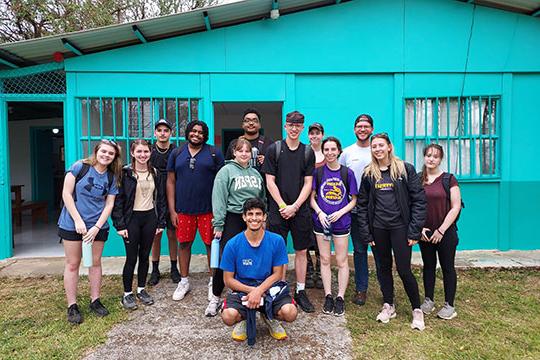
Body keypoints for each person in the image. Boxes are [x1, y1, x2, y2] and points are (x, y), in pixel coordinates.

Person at [357, 132, 427, 330]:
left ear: (389, 147)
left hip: (400, 229)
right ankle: (389, 305)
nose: (377, 149)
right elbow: (362, 205)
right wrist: (367, 233)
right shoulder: (369, 173)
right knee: (383, 268)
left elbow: (419, 201)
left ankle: (417, 309)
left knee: (404, 270)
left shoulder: (404, 169)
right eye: (374, 146)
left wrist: (414, 231)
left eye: (381, 145)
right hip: (379, 229)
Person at [58, 139, 122, 324]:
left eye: (111, 153)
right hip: (72, 223)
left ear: (114, 157)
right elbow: (66, 194)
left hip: (97, 225)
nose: (106, 155)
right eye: (103, 151)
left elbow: (109, 203)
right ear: (96, 151)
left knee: (95, 262)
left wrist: (96, 227)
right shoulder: (80, 167)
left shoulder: (112, 177)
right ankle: (72, 305)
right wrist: (78, 221)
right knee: (73, 263)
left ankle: (95, 300)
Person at [220, 198, 297, 343]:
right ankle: (244, 318)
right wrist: (251, 291)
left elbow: (278, 274)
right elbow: (228, 280)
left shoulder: (277, 240)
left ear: (264, 217)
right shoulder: (232, 244)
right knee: (228, 316)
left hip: (269, 288)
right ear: (244, 217)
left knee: (290, 313)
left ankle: (269, 317)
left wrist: (259, 291)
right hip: (243, 291)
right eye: (250, 214)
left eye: (258, 214)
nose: (254, 218)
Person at [262, 110, 316, 313]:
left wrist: (294, 206)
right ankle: (280, 289)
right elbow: (270, 181)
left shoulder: (307, 152)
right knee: (278, 252)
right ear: (285, 126)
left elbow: (309, 183)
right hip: (278, 211)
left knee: (302, 251)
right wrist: (284, 206)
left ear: (302, 128)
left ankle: (300, 291)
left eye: (298, 125)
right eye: (290, 125)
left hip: (300, 211)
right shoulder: (274, 149)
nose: (294, 129)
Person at [205, 139, 266, 317]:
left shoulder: (255, 173)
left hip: (253, 219)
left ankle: (243, 296)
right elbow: (219, 198)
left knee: (250, 259)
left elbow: (262, 198)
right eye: (241, 150)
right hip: (233, 218)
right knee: (227, 260)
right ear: (234, 152)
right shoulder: (225, 171)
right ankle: (215, 298)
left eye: (247, 151)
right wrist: (219, 224)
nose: (244, 153)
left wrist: (263, 217)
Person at [167, 120, 225, 302]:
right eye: (193, 131)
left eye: (200, 132)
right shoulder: (177, 153)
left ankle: (212, 282)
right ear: (188, 133)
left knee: (211, 245)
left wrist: (219, 210)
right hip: (183, 210)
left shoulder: (214, 153)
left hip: (209, 210)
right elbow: (170, 182)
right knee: (184, 244)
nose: (196, 134)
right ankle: (184, 281)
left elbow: (221, 182)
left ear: (205, 135)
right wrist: (172, 210)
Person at [112, 140, 167, 310]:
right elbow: (118, 202)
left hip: (149, 218)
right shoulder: (125, 173)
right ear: (132, 153)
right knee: (131, 257)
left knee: (144, 256)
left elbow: (161, 199)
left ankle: (141, 289)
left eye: (146, 152)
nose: (143, 155)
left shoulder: (155, 172)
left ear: (150, 153)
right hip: (132, 220)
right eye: (139, 152)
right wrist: (120, 225)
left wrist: (161, 221)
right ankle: (127, 293)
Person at [310, 136, 358, 316]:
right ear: (323, 152)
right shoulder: (319, 173)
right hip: (321, 223)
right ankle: (328, 295)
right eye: (326, 149)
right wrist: (320, 212)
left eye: (333, 149)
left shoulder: (347, 173)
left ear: (339, 151)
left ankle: (340, 297)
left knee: (341, 260)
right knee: (324, 259)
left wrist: (341, 212)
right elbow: (312, 197)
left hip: (342, 223)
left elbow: (354, 200)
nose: (330, 153)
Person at [418, 144, 462, 320]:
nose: (431, 159)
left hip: (445, 232)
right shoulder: (418, 179)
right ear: (424, 157)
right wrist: (419, 228)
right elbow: (413, 205)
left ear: (440, 159)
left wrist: (441, 230)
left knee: (447, 267)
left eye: (435, 156)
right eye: (428, 155)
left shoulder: (448, 179)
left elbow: (456, 206)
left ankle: (449, 305)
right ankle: (428, 300)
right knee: (428, 266)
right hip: (425, 233)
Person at [339, 114, 375, 306]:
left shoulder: (378, 149)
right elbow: (340, 178)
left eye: (366, 126)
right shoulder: (346, 153)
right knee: (359, 250)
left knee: (378, 249)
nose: (362, 129)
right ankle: (361, 288)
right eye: (359, 126)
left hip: (377, 208)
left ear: (371, 129)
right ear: (354, 130)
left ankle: (387, 288)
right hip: (353, 208)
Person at [149, 119, 180, 285]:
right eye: (159, 130)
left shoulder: (176, 151)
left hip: (171, 194)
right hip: (153, 196)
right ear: (155, 133)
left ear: (170, 133)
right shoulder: (149, 151)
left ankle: (174, 267)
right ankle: (155, 269)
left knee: (172, 233)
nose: (162, 133)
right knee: (156, 234)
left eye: (165, 130)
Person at [305, 122, 325, 289]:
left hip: (324, 203)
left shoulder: (328, 153)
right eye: (312, 133)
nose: (314, 136)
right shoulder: (304, 153)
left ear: (322, 135)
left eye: (317, 133)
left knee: (321, 238)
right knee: (305, 236)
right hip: (305, 201)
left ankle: (319, 270)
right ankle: (309, 269)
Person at [224, 108, 273, 173]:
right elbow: (227, 165)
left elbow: (276, 166)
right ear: (243, 125)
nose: (251, 123)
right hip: (239, 181)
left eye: (255, 121)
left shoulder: (269, 143)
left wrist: (267, 162)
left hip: (262, 182)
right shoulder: (234, 143)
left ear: (259, 125)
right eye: (247, 121)